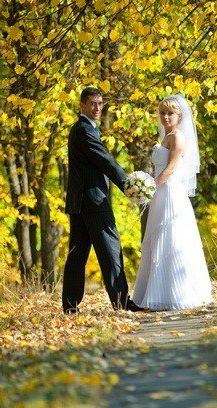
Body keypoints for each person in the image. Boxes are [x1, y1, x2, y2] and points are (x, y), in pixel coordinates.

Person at [62, 86, 143, 313]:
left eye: (100, 103)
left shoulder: (83, 128)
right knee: (110, 248)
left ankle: (70, 306)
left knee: (77, 254)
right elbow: (105, 160)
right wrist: (128, 184)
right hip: (93, 201)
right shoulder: (84, 130)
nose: (97, 108)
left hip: (80, 202)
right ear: (82, 105)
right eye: (92, 104)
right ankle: (121, 302)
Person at [132, 94, 212, 311]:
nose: (166, 117)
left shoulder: (178, 138)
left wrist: (149, 186)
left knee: (170, 239)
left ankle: (175, 293)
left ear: (179, 116)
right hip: (160, 191)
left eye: (170, 113)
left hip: (169, 192)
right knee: (155, 239)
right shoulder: (165, 136)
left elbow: (170, 169)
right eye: (162, 113)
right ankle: (153, 291)